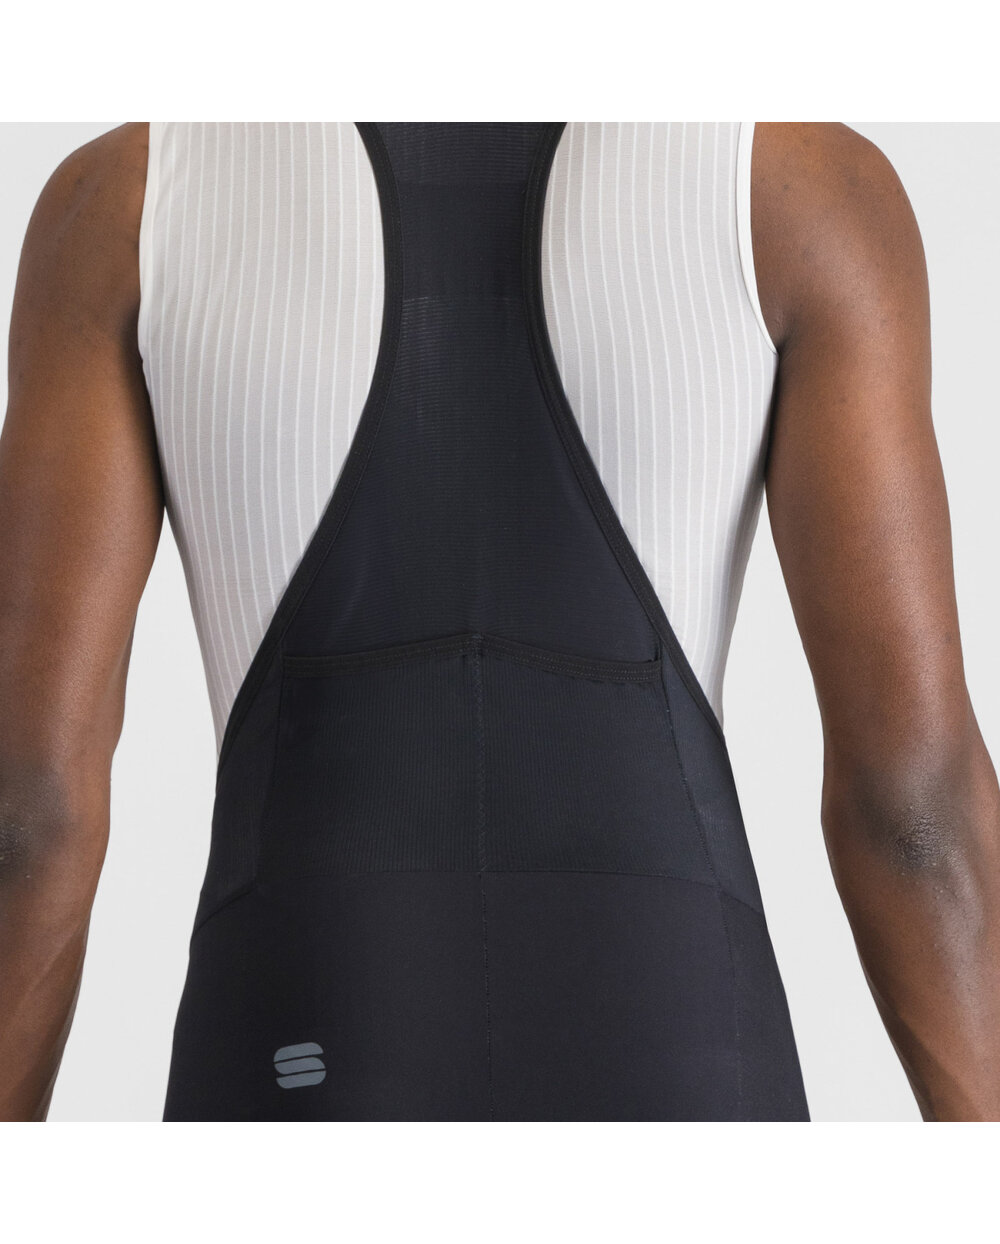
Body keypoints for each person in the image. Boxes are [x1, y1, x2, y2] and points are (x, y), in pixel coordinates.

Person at [0, 122, 997, 1122]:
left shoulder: (129, 201)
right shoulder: (797, 186)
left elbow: (30, 812)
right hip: (676, 1043)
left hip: (299, 1032)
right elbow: (912, 809)